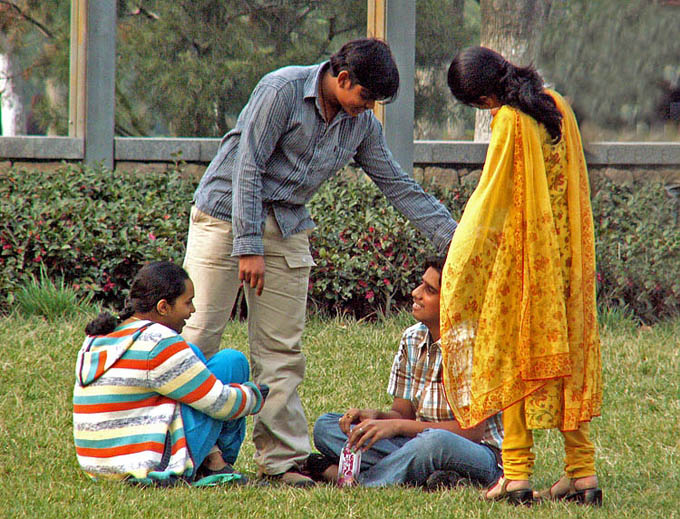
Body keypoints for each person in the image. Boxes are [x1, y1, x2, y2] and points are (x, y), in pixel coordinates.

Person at [182, 38, 457, 486]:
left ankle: (282, 461)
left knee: (281, 351)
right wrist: (248, 245)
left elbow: (398, 186)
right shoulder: (281, 90)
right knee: (199, 336)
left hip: (288, 226)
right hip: (225, 214)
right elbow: (247, 167)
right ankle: (185, 449)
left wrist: (457, 241)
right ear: (343, 78)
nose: (368, 109)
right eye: (365, 97)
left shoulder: (360, 124)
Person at [440, 46, 603, 505]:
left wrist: (462, 252)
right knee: (565, 356)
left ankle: (516, 475)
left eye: (477, 103)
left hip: (524, 261)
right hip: (566, 260)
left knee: (509, 357)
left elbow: (492, 197)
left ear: (485, 96)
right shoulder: (558, 106)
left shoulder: (509, 120)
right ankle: (583, 473)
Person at [309, 257, 503, 489]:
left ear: (454, 301)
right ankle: (435, 476)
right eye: (421, 284)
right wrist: (374, 417)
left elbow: (471, 432)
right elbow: (402, 414)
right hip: (416, 443)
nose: (415, 293)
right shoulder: (412, 338)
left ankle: (356, 479)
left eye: (429, 290)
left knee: (434, 443)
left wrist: (397, 427)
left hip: (477, 452)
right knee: (327, 426)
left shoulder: (471, 345)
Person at [73, 261, 267, 486]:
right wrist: (255, 396)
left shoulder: (99, 337)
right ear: (163, 307)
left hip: (99, 466)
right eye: (188, 302)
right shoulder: (158, 341)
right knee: (232, 363)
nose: (192, 310)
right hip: (148, 466)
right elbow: (221, 404)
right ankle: (215, 463)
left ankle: (212, 458)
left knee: (192, 353)